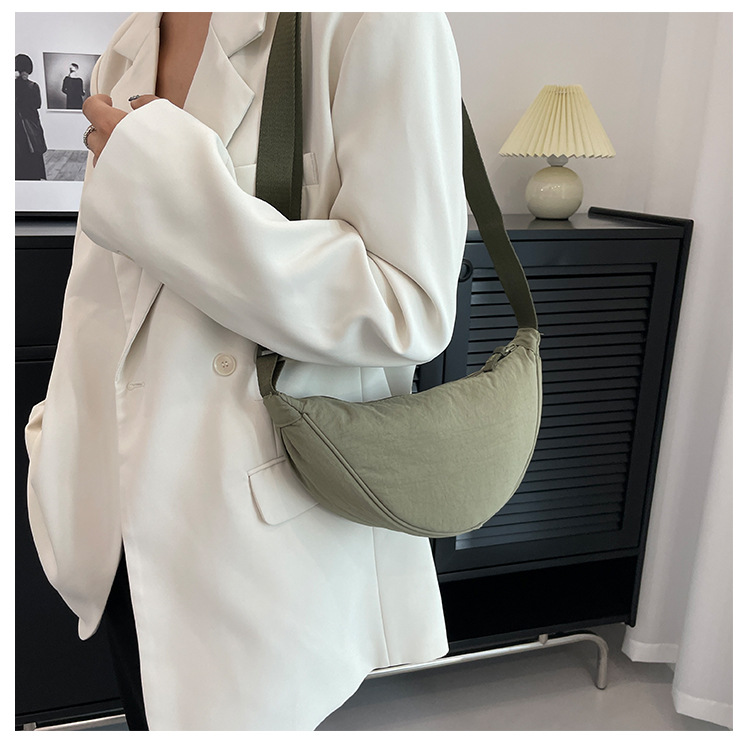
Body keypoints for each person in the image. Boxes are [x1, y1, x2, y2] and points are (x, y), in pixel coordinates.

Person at [25, 12, 467, 730]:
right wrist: (55, 439)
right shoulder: (131, 42)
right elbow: (98, 300)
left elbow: (407, 305)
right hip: (111, 519)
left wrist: (174, 193)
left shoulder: (373, 19)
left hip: (251, 546)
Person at [15, 53, 47, 180]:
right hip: (30, 125)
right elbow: (37, 104)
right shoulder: (32, 86)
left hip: (16, 126)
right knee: (33, 155)